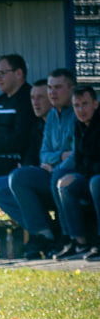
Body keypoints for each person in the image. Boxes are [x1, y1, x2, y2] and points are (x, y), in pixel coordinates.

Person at [0, 77, 65, 259]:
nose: (35, 102)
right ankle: (45, 230)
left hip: (54, 177)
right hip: (31, 179)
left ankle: (43, 235)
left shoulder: (64, 122)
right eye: (32, 98)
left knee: (19, 177)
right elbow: (31, 156)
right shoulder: (35, 125)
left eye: (40, 97)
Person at [52, 85, 100, 261]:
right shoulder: (78, 125)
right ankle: (78, 241)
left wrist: (83, 174)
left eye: (85, 104)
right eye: (77, 106)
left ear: (96, 104)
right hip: (89, 176)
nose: (81, 110)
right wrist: (73, 176)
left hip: (96, 178)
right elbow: (79, 159)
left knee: (96, 182)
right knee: (63, 183)